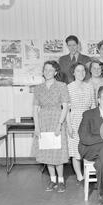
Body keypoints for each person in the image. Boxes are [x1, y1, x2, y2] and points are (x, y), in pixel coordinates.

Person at [33, 61, 70, 192]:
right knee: (47, 152)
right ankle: (52, 179)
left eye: (51, 70)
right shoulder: (38, 88)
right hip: (43, 122)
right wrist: (37, 127)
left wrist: (60, 124)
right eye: (45, 69)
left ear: (55, 72)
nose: (47, 72)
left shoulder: (62, 86)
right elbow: (35, 109)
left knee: (58, 153)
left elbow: (65, 107)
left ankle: (61, 180)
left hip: (57, 120)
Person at [66, 62, 93, 185]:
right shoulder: (68, 87)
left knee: (87, 147)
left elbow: (93, 105)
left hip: (88, 119)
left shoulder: (89, 86)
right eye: (78, 71)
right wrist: (69, 126)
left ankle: (88, 173)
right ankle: (80, 176)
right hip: (74, 119)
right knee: (75, 149)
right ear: (73, 72)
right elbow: (66, 109)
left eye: (83, 71)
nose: (81, 73)